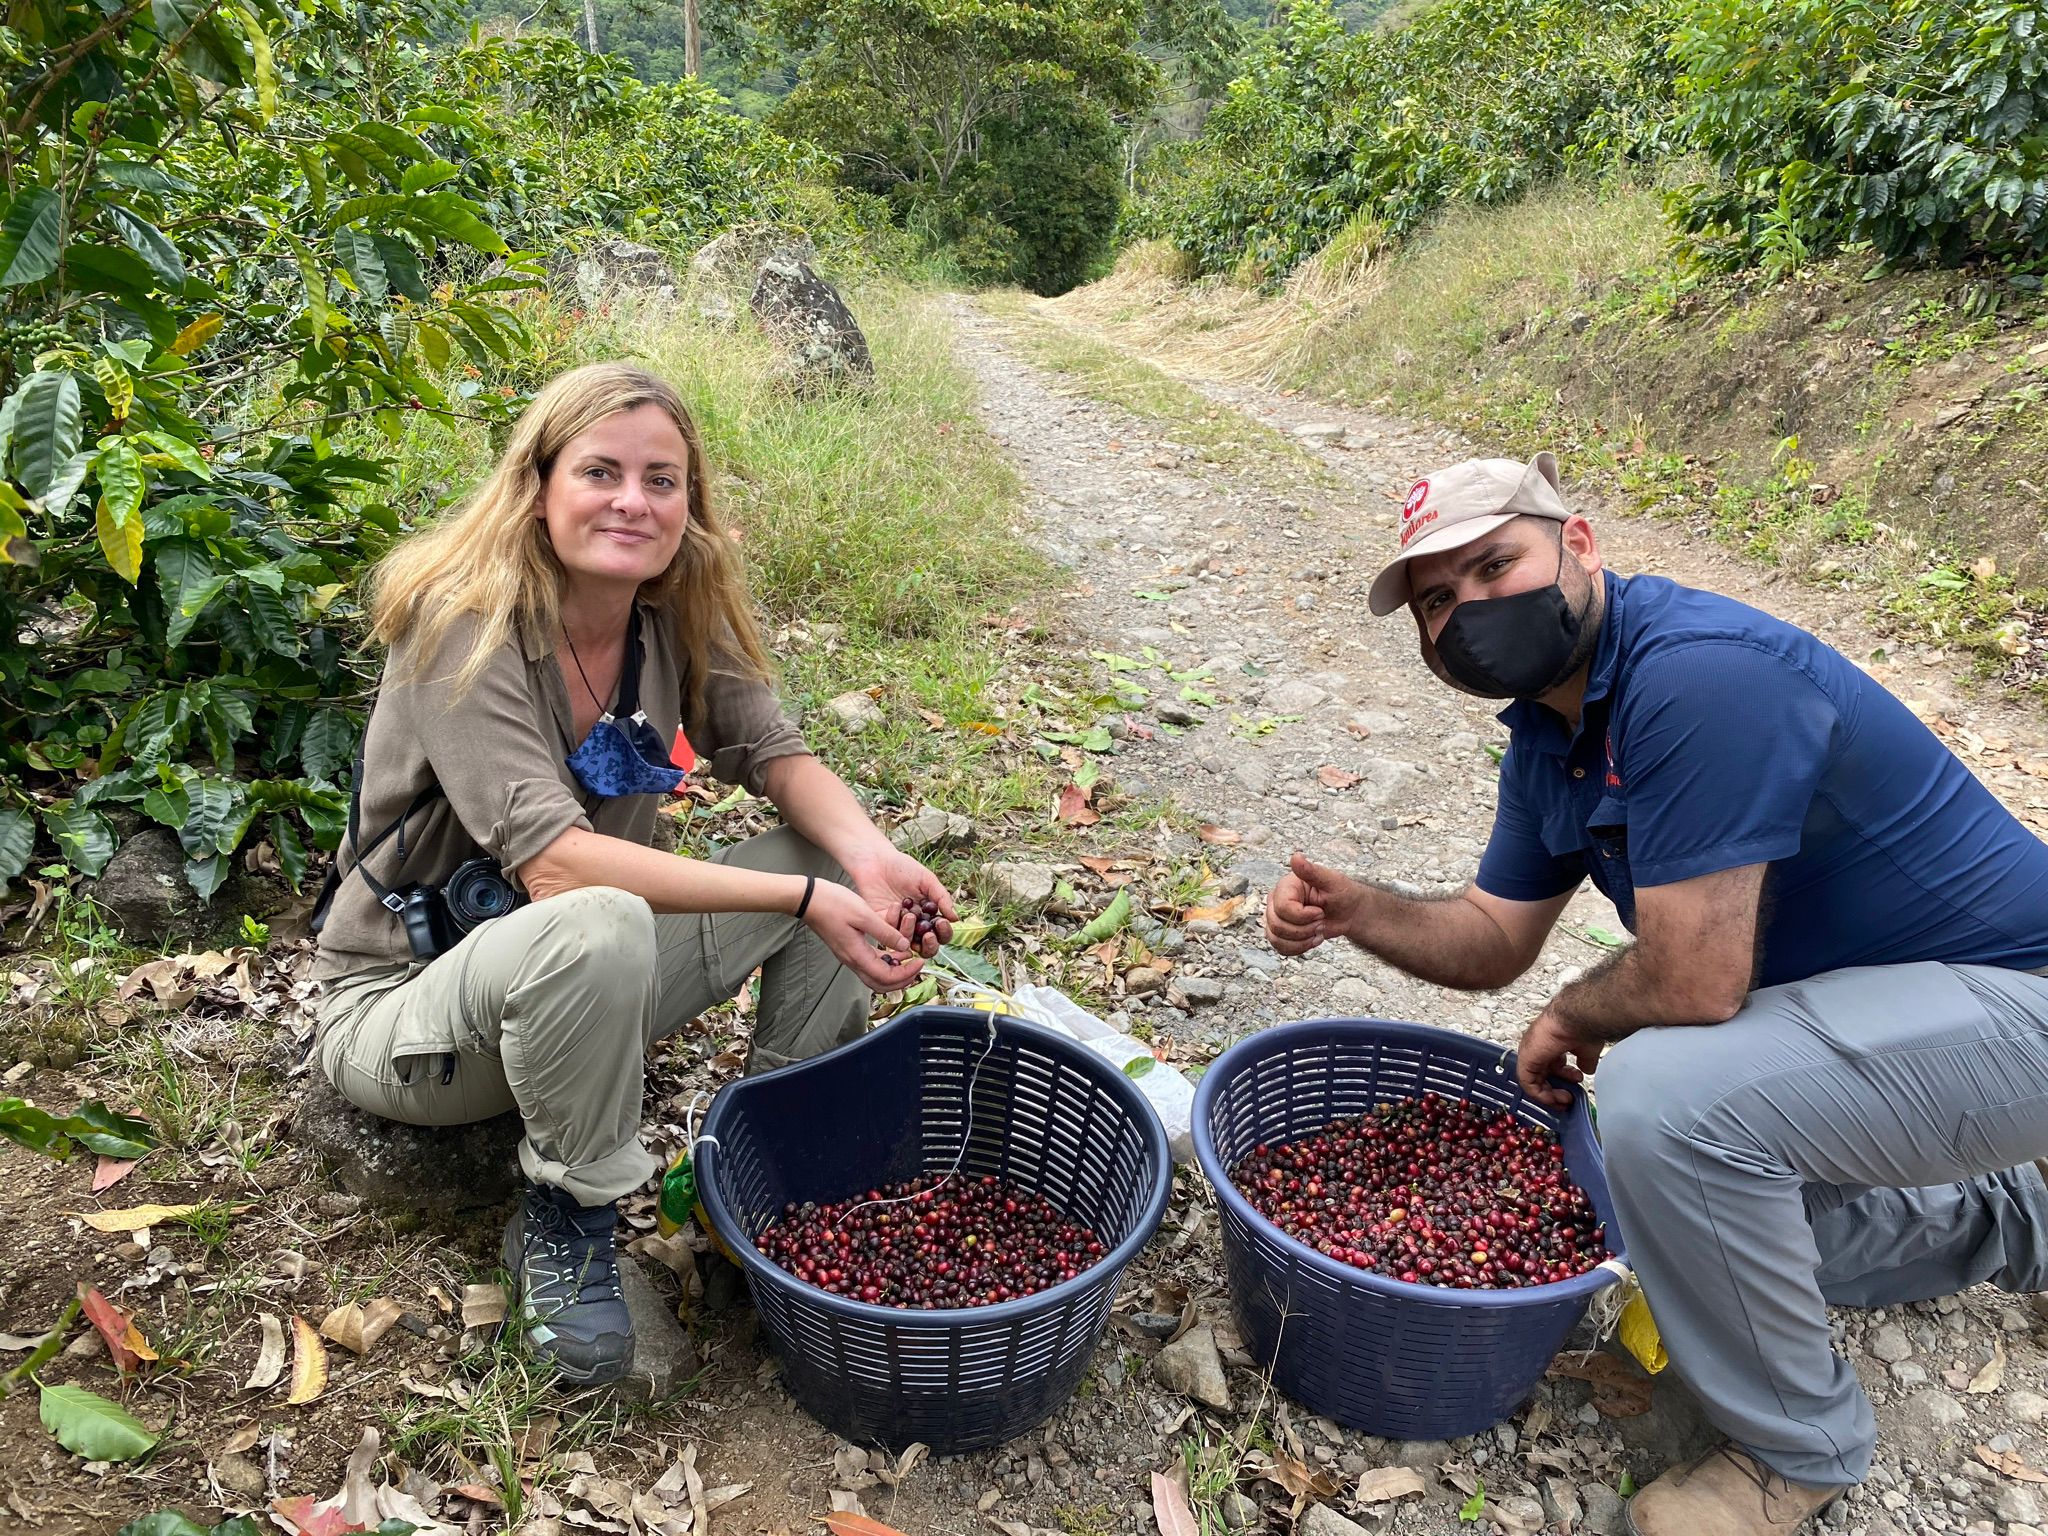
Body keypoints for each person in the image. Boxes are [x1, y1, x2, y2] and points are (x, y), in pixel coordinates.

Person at [1263, 450, 2048, 1534]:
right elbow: (1493, 938)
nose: (1469, 611)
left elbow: (1691, 978)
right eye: (1437, 601)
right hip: (1894, 1017)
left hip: (2017, 1003)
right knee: (1667, 1217)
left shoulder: (1695, 676)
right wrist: (1361, 910)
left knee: (1664, 1104)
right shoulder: (1547, 736)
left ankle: (1796, 1450)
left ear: (1576, 544)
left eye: (1494, 565)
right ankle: (2023, 1222)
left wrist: (1571, 1015)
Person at [310, 361, 955, 1385]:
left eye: (662, 479)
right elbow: (557, 866)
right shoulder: (461, 623)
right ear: (538, 483)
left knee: (832, 852)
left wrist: (866, 861)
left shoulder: (665, 616)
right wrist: (800, 898)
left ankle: (776, 1161)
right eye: (600, 471)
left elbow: (770, 750)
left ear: (689, 502)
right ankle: (565, 1216)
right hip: (406, 1016)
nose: (632, 500)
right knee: (605, 915)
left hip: (575, 984)